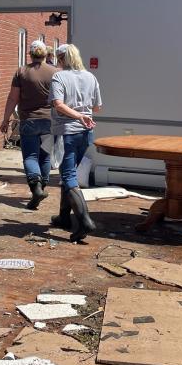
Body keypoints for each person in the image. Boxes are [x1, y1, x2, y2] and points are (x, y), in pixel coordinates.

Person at [50, 43, 102, 243]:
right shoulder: (90, 77)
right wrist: (83, 113)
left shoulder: (59, 77)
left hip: (67, 133)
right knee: (67, 173)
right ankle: (64, 218)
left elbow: (58, 104)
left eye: (57, 58)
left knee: (69, 175)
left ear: (62, 59)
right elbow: (97, 107)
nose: (57, 62)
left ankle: (84, 220)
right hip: (86, 134)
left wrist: (77, 115)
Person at [0, 39, 57, 209]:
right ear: (46, 54)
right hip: (49, 122)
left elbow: (13, 98)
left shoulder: (21, 72)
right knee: (45, 156)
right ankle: (41, 188)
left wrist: (5, 119)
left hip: (29, 121)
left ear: (30, 54)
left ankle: (36, 189)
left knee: (30, 156)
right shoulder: (55, 72)